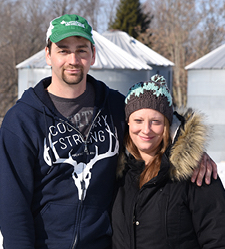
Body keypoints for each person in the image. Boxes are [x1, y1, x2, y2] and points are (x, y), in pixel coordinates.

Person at [0, 14, 217, 249]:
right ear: (48, 54)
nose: (73, 59)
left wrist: (190, 149)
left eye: (81, 50)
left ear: (93, 54)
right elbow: (13, 207)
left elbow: (152, 119)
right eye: (63, 50)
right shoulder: (22, 120)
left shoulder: (113, 106)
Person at [112, 74, 225, 249]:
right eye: (138, 120)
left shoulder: (195, 173)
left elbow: (218, 239)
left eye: (155, 121)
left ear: (167, 125)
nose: (146, 130)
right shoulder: (117, 172)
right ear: (128, 123)